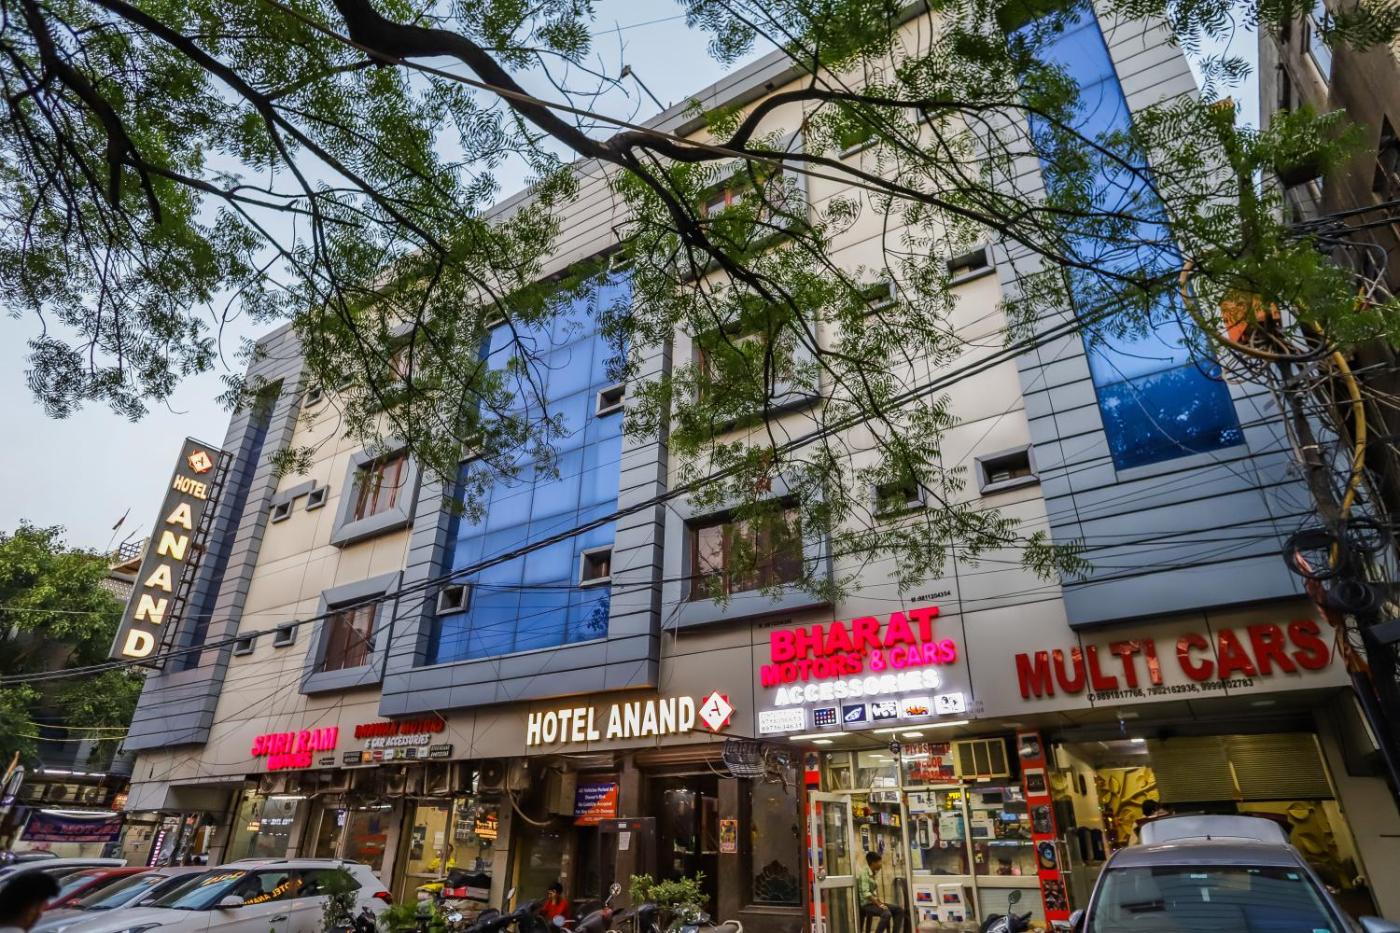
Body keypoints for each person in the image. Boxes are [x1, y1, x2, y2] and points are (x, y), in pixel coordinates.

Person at [857, 852, 902, 933]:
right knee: (886, 914)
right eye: (879, 862)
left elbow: (873, 893)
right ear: (873, 863)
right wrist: (879, 905)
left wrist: (880, 903)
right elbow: (866, 893)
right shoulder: (864, 874)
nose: (881, 864)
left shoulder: (873, 873)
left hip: (873, 903)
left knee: (898, 910)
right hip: (866, 905)